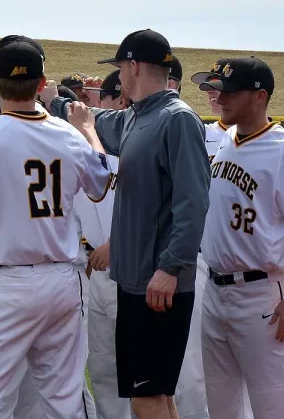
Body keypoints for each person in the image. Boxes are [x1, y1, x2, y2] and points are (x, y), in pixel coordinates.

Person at [0, 41, 111, 419]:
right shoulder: (67, 134)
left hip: (6, 283)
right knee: (66, 400)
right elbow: (100, 185)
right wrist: (90, 132)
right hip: (63, 280)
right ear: (42, 82)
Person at [90, 30, 210, 419]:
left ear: (134, 66)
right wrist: (54, 101)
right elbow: (95, 122)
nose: (119, 78)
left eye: (121, 68)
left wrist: (170, 267)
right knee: (156, 395)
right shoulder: (136, 117)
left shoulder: (177, 119)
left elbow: (193, 203)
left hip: (157, 283)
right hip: (135, 281)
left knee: (146, 397)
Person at [199, 57, 284, 419]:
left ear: (259, 96)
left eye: (231, 92)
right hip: (214, 291)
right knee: (221, 408)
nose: (221, 98)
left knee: (274, 407)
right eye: (219, 90)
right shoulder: (223, 142)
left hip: (261, 296)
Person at [76, 69, 132, 419]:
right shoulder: (87, 145)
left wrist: (116, 243)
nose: (95, 106)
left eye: (102, 99)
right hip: (96, 270)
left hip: (133, 271)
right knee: (103, 371)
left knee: (143, 377)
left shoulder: (136, 144)